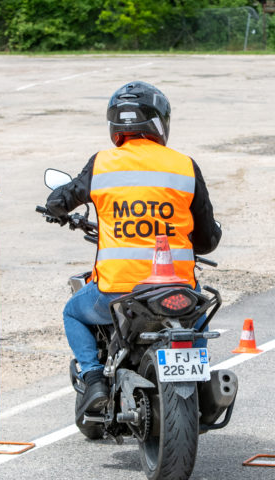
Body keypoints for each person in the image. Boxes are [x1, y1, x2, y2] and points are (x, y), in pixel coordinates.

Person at [44, 81, 222, 423]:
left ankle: (94, 379)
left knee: (74, 312)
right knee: (194, 325)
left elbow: (58, 200)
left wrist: (58, 211)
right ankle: (201, 386)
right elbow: (207, 238)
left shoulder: (102, 164)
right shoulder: (184, 166)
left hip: (117, 292)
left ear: (116, 124)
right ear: (160, 121)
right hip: (177, 289)